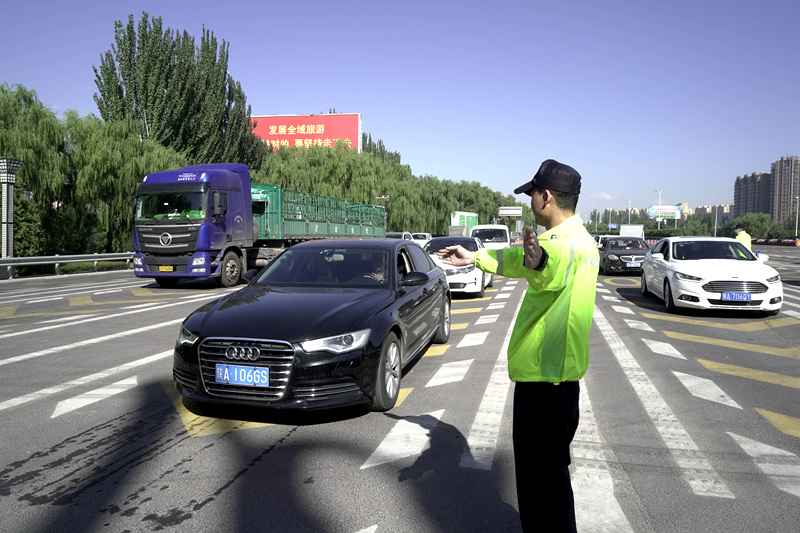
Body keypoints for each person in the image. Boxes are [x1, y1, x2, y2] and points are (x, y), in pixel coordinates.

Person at [438, 159, 599, 532]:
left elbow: (549, 265)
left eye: (532, 195)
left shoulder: (563, 246)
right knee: (550, 484)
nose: (530, 202)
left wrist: (540, 261)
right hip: (559, 387)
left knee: (541, 490)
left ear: (546, 197)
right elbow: (519, 260)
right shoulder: (584, 241)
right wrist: (475, 256)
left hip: (544, 389)